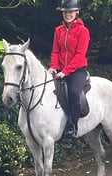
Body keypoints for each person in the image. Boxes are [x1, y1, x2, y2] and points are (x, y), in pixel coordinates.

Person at [47, 0, 90, 137]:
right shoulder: (58, 30)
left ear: (77, 12)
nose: (68, 14)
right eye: (65, 12)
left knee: (73, 92)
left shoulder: (83, 31)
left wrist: (65, 71)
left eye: (71, 11)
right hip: (60, 70)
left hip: (77, 70)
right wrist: (53, 67)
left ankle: (72, 125)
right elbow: (55, 51)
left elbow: (79, 55)